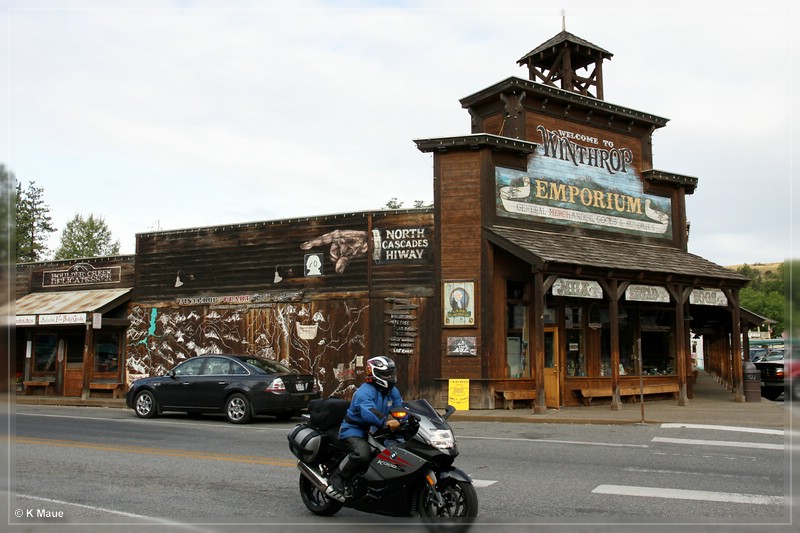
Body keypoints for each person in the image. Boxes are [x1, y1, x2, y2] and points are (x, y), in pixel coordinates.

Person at [325, 355, 403, 502]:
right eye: (386, 374)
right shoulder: (364, 391)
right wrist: (386, 420)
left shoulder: (392, 391)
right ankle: (338, 476)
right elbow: (368, 411)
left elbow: (400, 408)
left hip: (377, 430)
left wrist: (411, 419)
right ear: (375, 373)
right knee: (362, 454)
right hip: (355, 429)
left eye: (391, 373)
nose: (390, 377)